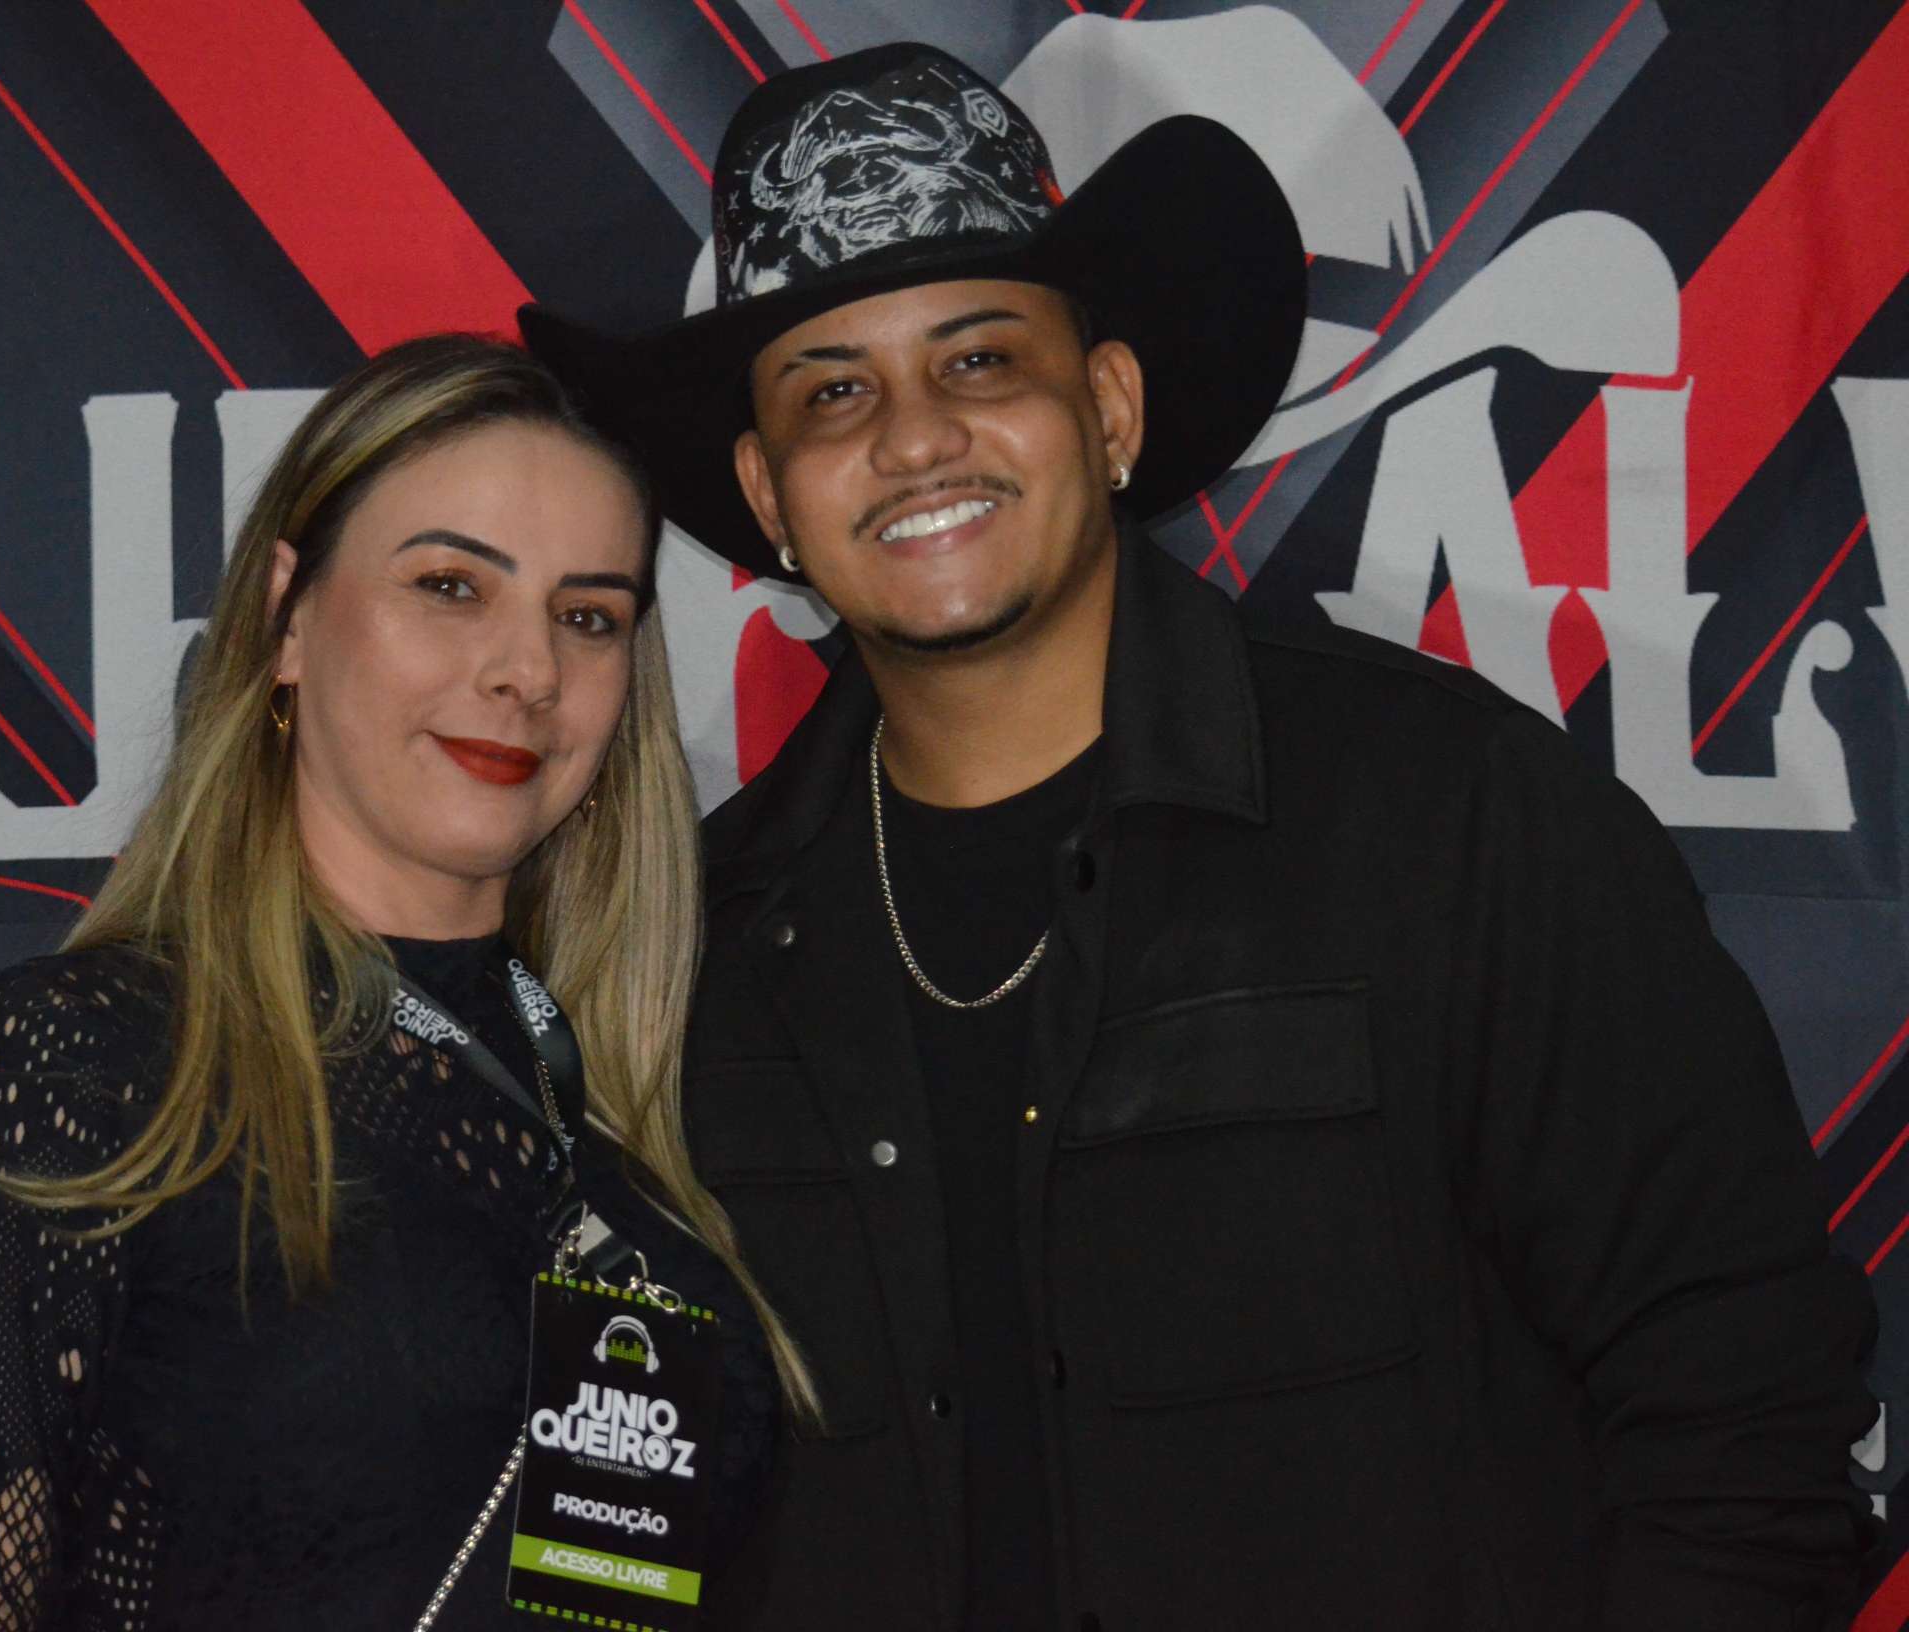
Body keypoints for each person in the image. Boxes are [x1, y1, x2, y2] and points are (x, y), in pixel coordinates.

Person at [522, 42, 1877, 1632]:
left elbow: (1747, 1422)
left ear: (1106, 407)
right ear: (768, 493)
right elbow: (614, 1535)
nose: (914, 437)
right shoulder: (678, 951)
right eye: (833, 390)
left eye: (980, 360)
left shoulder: (1456, 819)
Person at [0, 336, 805, 1629]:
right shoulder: (82, 1065)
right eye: (451, 586)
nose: (528, 672)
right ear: (288, 616)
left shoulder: (620, 1103)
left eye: (588, 617)